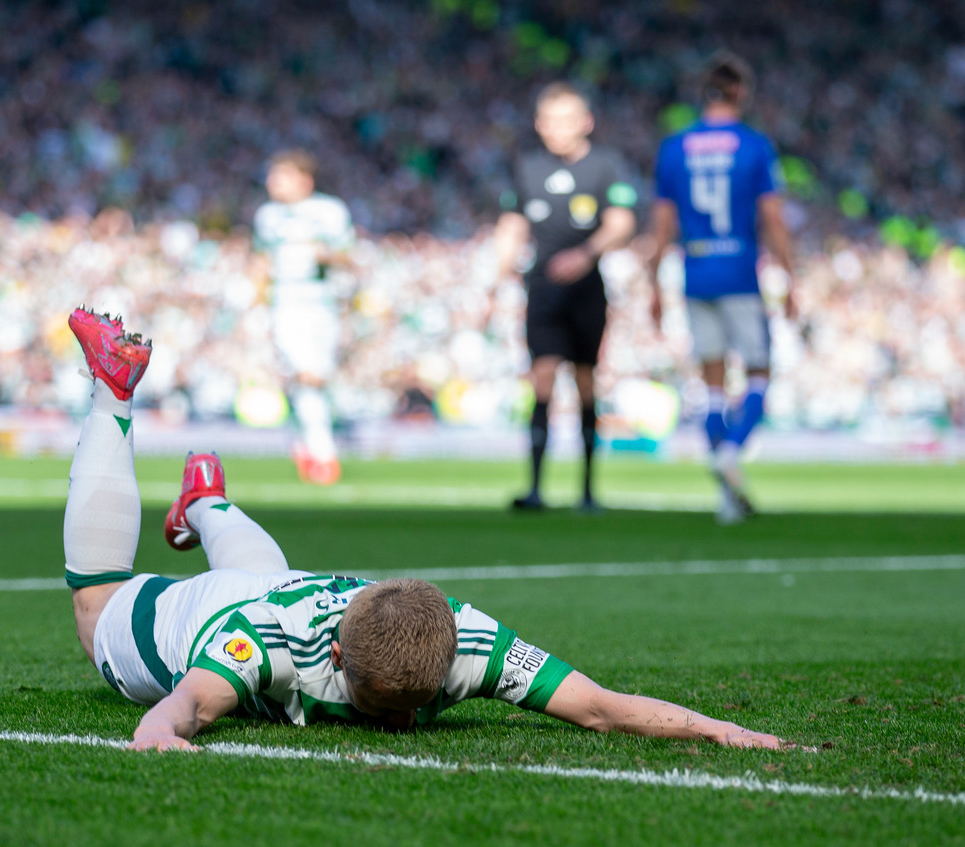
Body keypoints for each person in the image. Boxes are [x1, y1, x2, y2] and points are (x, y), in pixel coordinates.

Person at [63, 306, 785, 751]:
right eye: (384, 711)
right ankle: (114, 393)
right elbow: (183, 706)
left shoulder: (467, 637)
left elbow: (601, 708)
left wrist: (722, 729)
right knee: (96, 609)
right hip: (211, 613)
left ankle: (205, 501)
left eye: (410, 709)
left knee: (264, 576)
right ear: (336, 653)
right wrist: (158, 734)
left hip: (276, 585)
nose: (402, 727)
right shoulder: (263, 644)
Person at [646, 52, 797, 525]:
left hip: (696, 272)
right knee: (758, 372)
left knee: (711, 381)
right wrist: (789, 275)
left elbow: (663, 222)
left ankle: (727, 497)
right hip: (739, 273)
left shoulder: (674, 148)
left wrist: (654, 282)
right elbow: (771, 217)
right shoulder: (754, 146)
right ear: (740, 93)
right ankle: (729, 452)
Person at [493, 83, 639, 512]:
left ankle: (588, 491)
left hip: (587, 289)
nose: (558, 129)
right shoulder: (527, 168)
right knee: (541, 376)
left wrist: (585, 254)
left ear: (586, 122)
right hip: (542, 288)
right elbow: (512, 225)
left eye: (567, 120)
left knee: (585, 381)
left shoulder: (605, 166)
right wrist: (499, 275)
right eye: (551, 121)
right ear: (539, 124)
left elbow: (621, 223)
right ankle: (535, 487)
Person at [251, 150, 356, 485]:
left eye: (280, 175)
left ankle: (304, 446)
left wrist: (326, 255)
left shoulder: (329, 211)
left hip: (322, 303)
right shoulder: (267, 216)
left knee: (314, 378)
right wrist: (255, 304)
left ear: (304, 180)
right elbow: (261, 262)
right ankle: (324, 455)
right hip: (286, 302)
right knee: (305, 373)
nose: (272, 182)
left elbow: (349, 256)